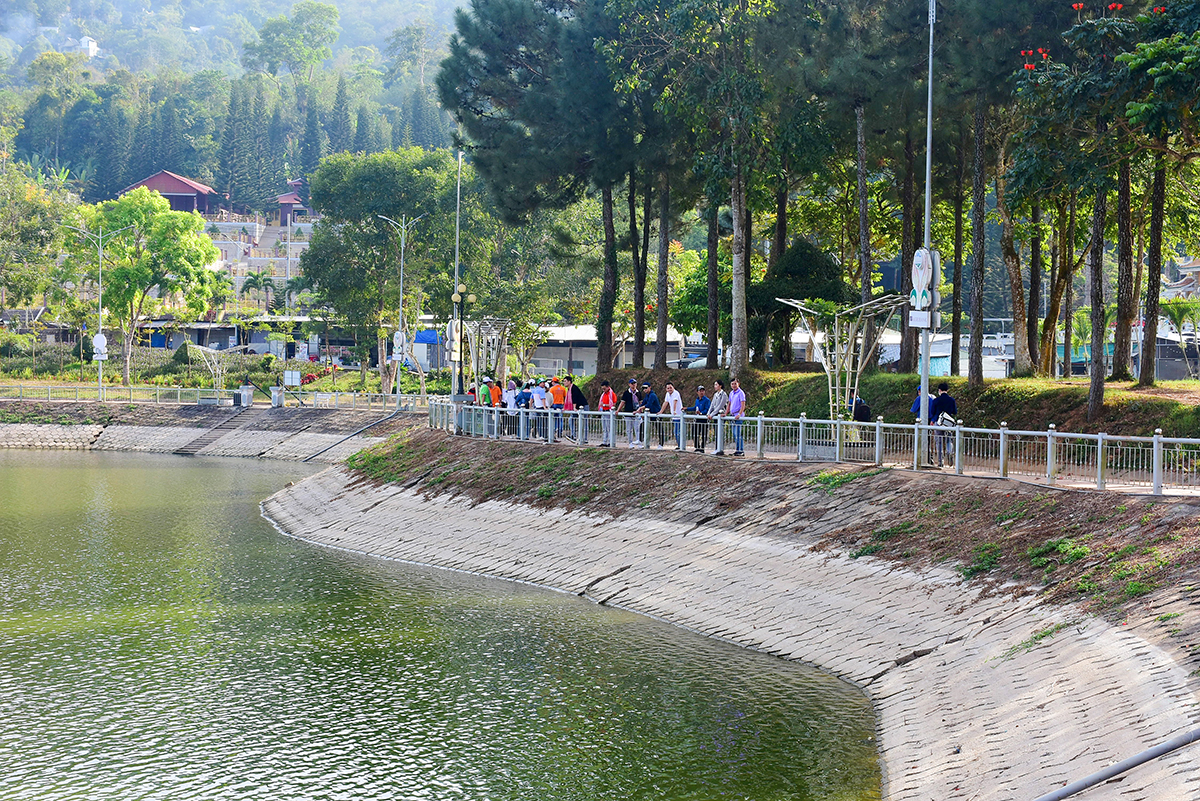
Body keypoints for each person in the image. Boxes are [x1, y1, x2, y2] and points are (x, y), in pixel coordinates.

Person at [931, 381, 958, 468]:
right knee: (949, 440)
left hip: (938, 423)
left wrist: (933, 420)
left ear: (939, 390)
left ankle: (940, 461)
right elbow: (955, 412)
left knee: (938, 442)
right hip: (948, 424)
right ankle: (949, 453)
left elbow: (932, 412)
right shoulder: (951, 400)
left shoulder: (936, 400)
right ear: (947, 390)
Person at [661, 381, 685, 450]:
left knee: (678, 432)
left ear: (673, 387)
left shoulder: (676, 393)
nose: (669, 389)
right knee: (676, 432)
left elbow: (675, 402)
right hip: (674, 417)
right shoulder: (667, 394)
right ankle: (679, 445)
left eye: (670, 388)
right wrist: (661, 411)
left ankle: (681, 446)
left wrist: (674, 411)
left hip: (679, 415)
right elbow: (665, 403)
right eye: (668, 388)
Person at [709, 379, 729, 455]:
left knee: (720, 432)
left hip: (720, 415)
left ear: (720, 386)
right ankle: (717, 448)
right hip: (715, 416)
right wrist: (709, 413)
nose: (715, 386)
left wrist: (712, 414)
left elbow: (720, 406)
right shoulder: (715, 394)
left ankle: (720, 449)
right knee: (716, 432)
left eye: (716, 385)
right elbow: (712, 405)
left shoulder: (723, 394)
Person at [566, 376, 589, 443]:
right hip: (577, 407)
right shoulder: (569, 389)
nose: (564, 383)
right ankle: (574, 435)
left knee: (584, 422)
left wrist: (574, 407)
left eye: (565, 381)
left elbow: (575, 398)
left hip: (583, 406)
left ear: (569, 381)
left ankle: (585, 439)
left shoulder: (574, 388)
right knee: (571, 419)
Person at [637, 382, 661, 447]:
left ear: (650, 387)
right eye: (643, 388)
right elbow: (643, 403)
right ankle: (640, 441)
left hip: (656, 414)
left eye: (646, 388)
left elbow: (648, 405)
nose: (645, 389)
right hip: (650, 415)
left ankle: (661, 444)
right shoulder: (647, 395)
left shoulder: (652, 395)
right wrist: (638, 409)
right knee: (642, 425)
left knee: (659, 429)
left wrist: (641, 408)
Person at [728, 377, 747, 456]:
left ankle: (741, 450)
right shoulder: (731, 393)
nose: (734, 385)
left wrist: (739, 413)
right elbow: (729, 404)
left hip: (738, 416)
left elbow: (743, 404)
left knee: (738, 433)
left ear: (738, 384)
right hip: (732, 415)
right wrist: (726, 413)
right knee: (735, 434)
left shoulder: (741, 393)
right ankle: (737, 449)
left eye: (735, 384)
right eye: (732, 384)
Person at [619, 379, 640, 447]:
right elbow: (623, 402)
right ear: (629, 384)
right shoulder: (626, 393)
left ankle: (638, 442)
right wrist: (618, 410)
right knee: (629, 429)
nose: (633, 385)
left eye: (634, 383)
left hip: (636, 413)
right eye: (632, 383)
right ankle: (630, 443)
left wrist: (640, 411)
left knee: (637, 428)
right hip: (628, 412)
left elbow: (641, 402)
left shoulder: (638, 392)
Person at [597, 380, 618, 447]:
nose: (603, 390)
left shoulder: (612, 394)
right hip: (603, 411)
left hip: (609, 412)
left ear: (608, 387)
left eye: (604, 388)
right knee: (604, 428)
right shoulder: (603, 394)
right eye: (602, 389)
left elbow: (613, 404)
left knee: (609, 428)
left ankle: (610, 441)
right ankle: (604, 441)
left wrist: (605, 405)